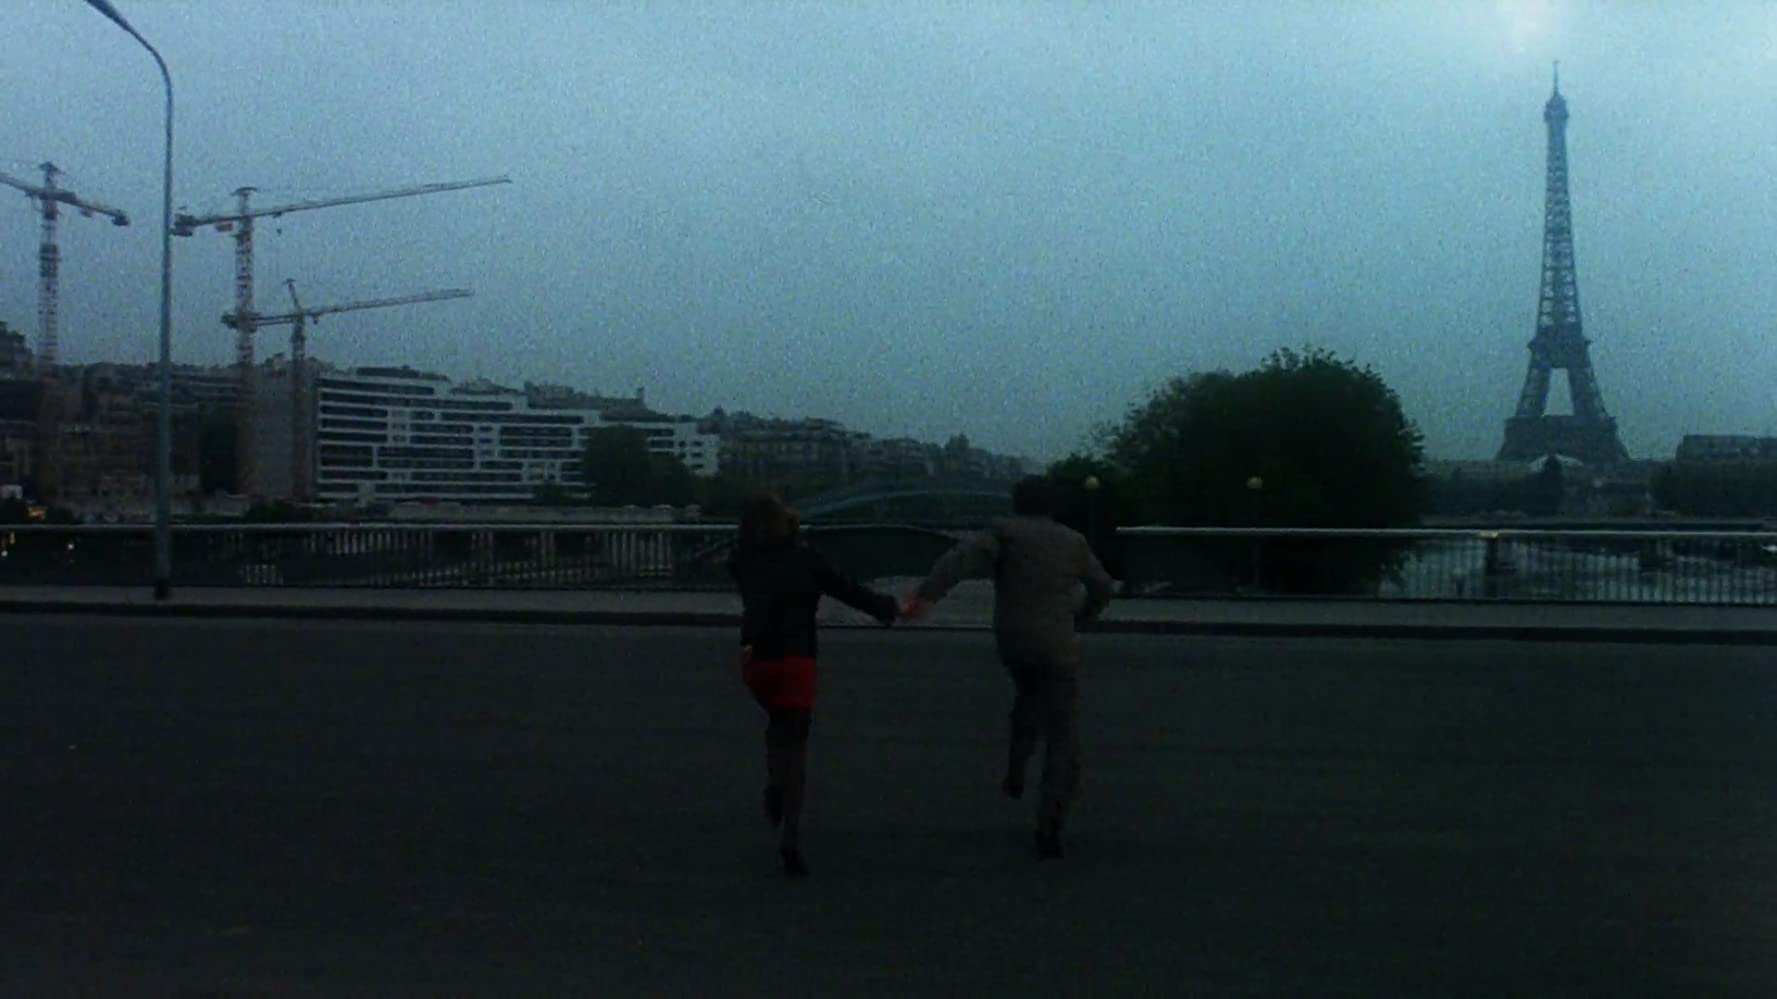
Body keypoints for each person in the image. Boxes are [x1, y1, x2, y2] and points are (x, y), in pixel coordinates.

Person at [901, 475, 1115, 859]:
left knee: (1028, 694)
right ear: (1053, 505)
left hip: (1013, 639)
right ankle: (1050, 824)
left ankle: (1017, 766)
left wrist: (926, 596)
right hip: (1057, 641)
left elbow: (956, 562)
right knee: (1063, 734)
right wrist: (1084, 615)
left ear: (1017, 503)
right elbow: (1102, 586)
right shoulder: (1073, 541)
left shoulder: (1002, 534)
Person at [729, 492, 898, 878]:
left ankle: (773, 784)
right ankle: (790, 837)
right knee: (797, 745)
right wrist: (887, 608)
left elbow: (740, 563)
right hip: (796, 658)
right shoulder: (806, 559)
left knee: (775, 724)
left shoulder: (742, 561)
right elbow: (847, 589)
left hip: (756, 659)